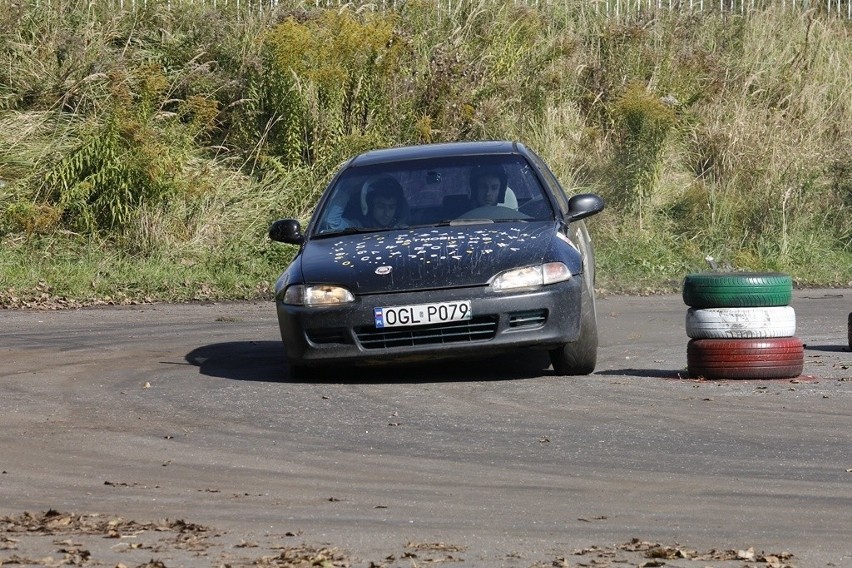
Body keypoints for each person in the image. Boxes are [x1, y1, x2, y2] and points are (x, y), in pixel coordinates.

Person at [322, 175, 406, 231]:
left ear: (397, 209)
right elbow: (332, 222)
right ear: (369, 206)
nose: (386, 213)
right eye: (381, 206)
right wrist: (348, 190)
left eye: (391, 207)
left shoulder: (404, 231)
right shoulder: (358, 229)